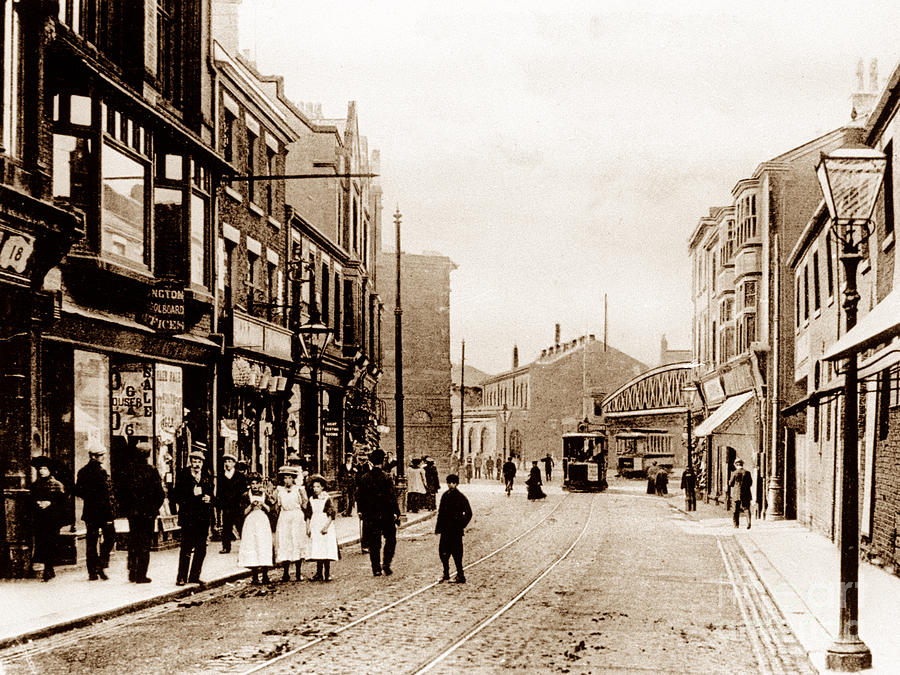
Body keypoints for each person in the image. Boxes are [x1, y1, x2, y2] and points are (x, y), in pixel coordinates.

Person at [120, 441, 165, 584]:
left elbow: (121, 492)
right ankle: (141, 574)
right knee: (145, 544)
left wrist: (128, 508)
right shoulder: (151, 470)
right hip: (147, 514)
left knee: (133, 542)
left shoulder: (127, 470)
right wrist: (153, 508)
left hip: (133, 514)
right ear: (148, 454)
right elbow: (160, 494)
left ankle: (132, 571)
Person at [173, 448, 214, 586]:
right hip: (188, 518)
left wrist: (210, 498)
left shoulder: (207, 474)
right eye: (194, 461)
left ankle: (195, 576)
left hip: (203, 518)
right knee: (186, 548)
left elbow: (212, 493)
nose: (196, 464)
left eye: (199, 462)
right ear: (190, 462)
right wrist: (192, 494)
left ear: (202, 463)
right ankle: (181, 577)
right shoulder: (183, 475)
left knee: (201, 548)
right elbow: (176, 496)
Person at [356, 449, 401, 576]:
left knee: (374, 542)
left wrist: (360, 511)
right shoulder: (386, 477)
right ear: (382, 461)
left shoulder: (364, 478)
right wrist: (396, 512)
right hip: (386, 514)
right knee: (391, 539)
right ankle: (386, 563)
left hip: (371, 515)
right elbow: (392, 497)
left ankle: (376, 568)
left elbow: (359, 496)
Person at [74, 448, 115, 580]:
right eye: (100, 455)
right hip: (103, 512)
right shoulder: (101, 472)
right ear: (93, 456)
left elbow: (78, 491)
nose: (103, 457)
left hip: (90, 512)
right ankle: (101, 565)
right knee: (110, 537)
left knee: (91, 542)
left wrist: (89, 496)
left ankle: (92, 571)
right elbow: (106, 495)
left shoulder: (82, 472)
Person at [30, 457, 66, 581]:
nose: (42, 471)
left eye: (44, 468)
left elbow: (63, 504)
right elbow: (30, 501)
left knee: (51, 543)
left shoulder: (57, 485)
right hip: (40, 519)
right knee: (42, 543)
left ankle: (49, 569)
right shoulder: (35, 485)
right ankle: (48, 568)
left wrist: (50, 503)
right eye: (40, 469)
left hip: (53, 519)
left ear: (50, 470)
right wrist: (37, 503)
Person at [274, 466, 309, 581]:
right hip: (284, 517)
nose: (287, 480)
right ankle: (285, 573)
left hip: (296, 517)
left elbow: (305, 505)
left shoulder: (299, 489)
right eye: (285, 478)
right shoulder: (279, 490)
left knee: (297, 542)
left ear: (293, 478)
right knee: (285, 543)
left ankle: (298, 572)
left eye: (289, 478)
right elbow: (276, 506)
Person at [435, 474, 472, 583]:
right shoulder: (445, 495)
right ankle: (446, 573)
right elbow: (440, 513)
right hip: (445, 529)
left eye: (453, 483)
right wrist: (438, 527)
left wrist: (461, 524)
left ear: (456, 484)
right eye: (449, 483)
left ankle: (460, 575)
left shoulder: (461, 497)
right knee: (443, 552)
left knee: (457, 553)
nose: (450, 485)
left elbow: (469, 513)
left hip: (456, 530)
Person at [238, 472, 273, 585]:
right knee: (252, 546)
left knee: (263, 546)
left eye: (257, 484)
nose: (255, 486)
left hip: (262, 522)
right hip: (250, 522)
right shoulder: (245, 495)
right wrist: (251, 506)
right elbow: (242, 512)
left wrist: (263, 505)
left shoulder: (265, 495)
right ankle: (254, 576)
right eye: (252, 484)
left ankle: (265, 575)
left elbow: (271, 510)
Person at [306, 475, 339, 582]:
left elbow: (331, 515)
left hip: (324, 524)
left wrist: (326, 527)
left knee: (326, 549)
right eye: (314, 487)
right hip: (315, 524)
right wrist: (308, 527)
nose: (315, 489)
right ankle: (319, 573)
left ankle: (327, 573)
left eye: (318, 487)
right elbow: (308, 515)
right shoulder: (311, 500)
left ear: (322, 488)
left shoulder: (327, 499)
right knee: (318, 549)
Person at [217, 453, 247, 554]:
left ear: (234, 463)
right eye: (225, 461)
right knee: (226, 527)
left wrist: (242, 504)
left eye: (229, 461)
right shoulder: (221, 476)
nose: (227, 464)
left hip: (237, 505)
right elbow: (219, 492)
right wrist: (219, 504)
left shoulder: (240, 476)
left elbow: (244, 492)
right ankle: (226, 547)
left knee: (241, 526)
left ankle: (246, 546)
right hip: (226, 506)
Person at [729, 459, 753, 529]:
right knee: (746, 508)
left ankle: (736, 525)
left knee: (735, 510)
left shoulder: (734, 473)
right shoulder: (747, 472)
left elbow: (730, 483)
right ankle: (749, 523)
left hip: (736, 493)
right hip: (746, 493)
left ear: (736, 465)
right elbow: (750, 483)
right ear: (742, 464)